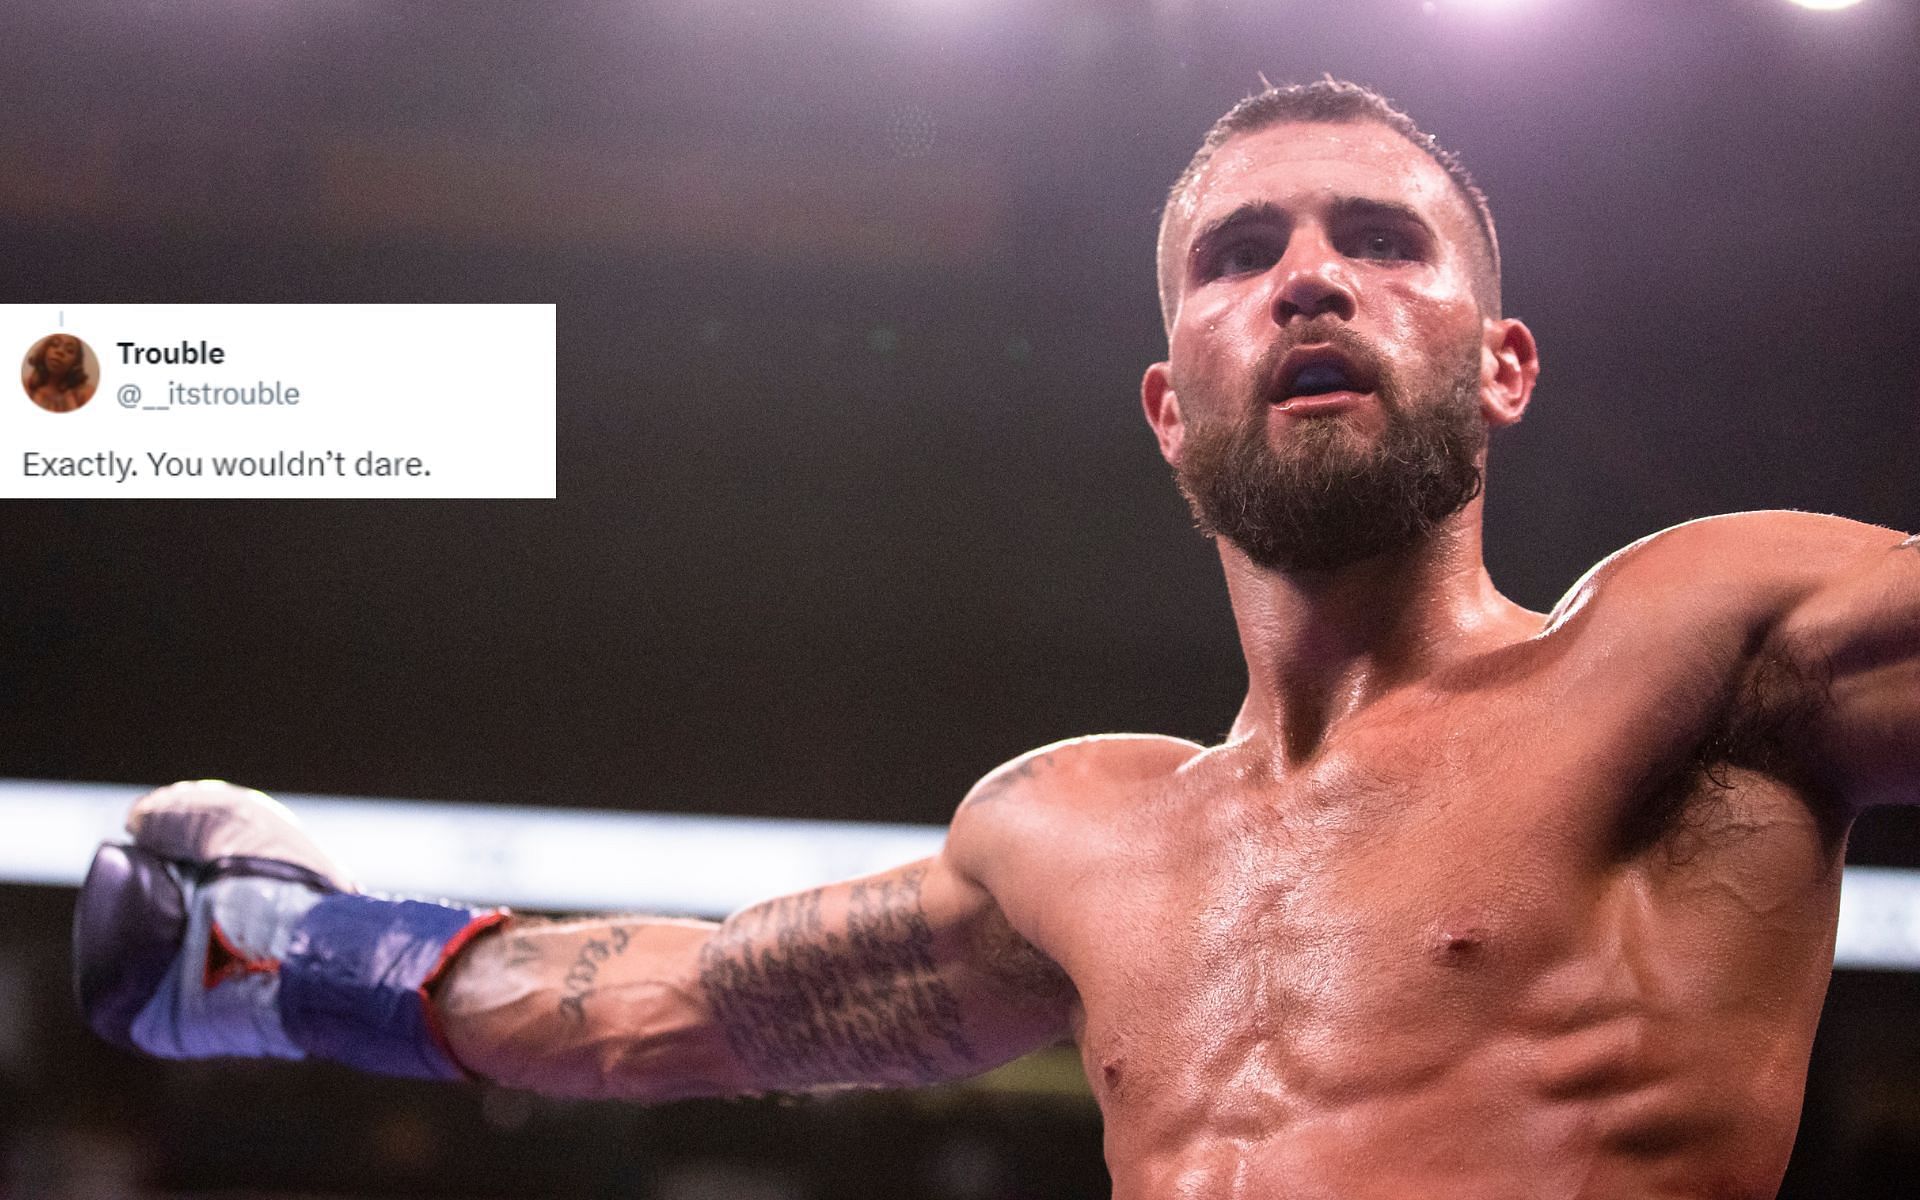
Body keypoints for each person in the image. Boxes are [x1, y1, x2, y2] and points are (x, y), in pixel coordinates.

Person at [76, 79, 1918, 1198]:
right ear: (1167, 407)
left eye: (1381, 237)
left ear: (1502, 365)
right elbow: (687, 1010)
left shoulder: (1703, 654)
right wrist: (278, 958)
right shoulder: (1077, 837)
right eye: (1238, 253)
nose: (1308, 273)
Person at [23, 333, 97, 412]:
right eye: (55, 345)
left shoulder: (85, 393)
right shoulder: (27, 386)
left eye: (69, 350)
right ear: (45, 350)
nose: (60, 351)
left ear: (75, 362)